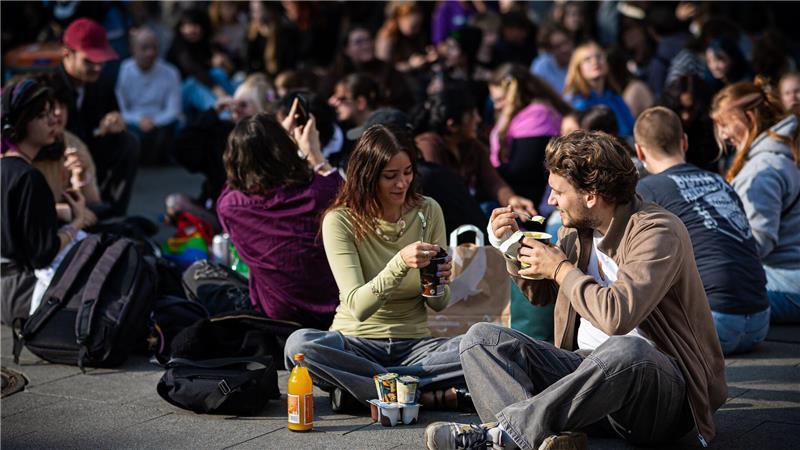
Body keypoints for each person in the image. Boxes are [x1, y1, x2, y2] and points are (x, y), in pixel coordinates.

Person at [424, 131, 726, 450]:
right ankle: (541, 438)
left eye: (558, 191)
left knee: (626, 350)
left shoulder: (657, 231)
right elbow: (542, 296)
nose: (551, 201)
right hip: (584, 382)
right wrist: (511, 248)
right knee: (481, 339)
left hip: (657, 395)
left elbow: (617, 317)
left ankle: (509, 432)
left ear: (591, 194)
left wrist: (559, 268)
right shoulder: (576, 230)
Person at [284, 124, 470, 413]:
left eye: (407, 172)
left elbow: (438, 303)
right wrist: (399, 263)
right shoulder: (340, 220)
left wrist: (440, 280)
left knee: (482, 344)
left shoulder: (428, 210)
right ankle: (417, 393)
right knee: (299, 346)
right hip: (355, 343)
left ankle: (366, 391)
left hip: (415, 347)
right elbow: (358, 306)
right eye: (390, 176)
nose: (402, 183)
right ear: (367, 176)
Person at [183, 110, 341, 328]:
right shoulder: (321, 192)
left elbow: (233, 182)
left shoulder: (231, 207)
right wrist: (313, 152)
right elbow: (341, 188)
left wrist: (268, 140)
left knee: (196, 273)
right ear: (286, 150)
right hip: (333, 313)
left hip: (279, 317)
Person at [634, 107, 769, 355]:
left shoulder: (648, 189)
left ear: (639, 150)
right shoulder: (720, 182)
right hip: (760, 320)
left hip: (713, 325)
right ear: (684, 141)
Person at [1, 79, 95, 325]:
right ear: (23, 123)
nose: (53, 120)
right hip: (20, 293)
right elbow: (43, 253)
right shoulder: (28, 178)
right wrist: (76, 221)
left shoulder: (7, 168)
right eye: (42, 115)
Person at [711, 78, 800, 323]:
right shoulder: (785, 153)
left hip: (787, 286)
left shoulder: (764, 169)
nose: (723, 134)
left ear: (749, 118)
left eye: (726, 124)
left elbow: (758, 242)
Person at [56, 17, 140, 217]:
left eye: (101, 62)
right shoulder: (49, 87)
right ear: (67, 53)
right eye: (89, 61)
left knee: (128, 142)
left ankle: (113, 213)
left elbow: (114, 114)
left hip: (93, 156)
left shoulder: (100, 83)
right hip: (60, 160)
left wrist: (114, 122)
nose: (97, 68)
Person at [414, 87, 537, 216]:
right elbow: (440, 194)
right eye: (472, 115)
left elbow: (493, 181)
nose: (478, 119)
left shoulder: (473, 146)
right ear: (452, 125)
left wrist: (511, 199)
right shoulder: (428, 147)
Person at [172, 73, 271, 217]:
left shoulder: (271, 140)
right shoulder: (222, 132)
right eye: (234, 103)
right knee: (175, 202)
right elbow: (181, 150)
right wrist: (212, 112)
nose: (236, 110)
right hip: (220, 207)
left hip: (249, 211)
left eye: (243, 105)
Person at [488, 64, 570, 206]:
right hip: (508, 190)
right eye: (493, 100)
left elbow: (522, 169)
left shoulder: (537, 114)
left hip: (528, 199)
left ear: (516, 94)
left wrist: (487, 174)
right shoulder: (513, 113)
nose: (496, 106)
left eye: (501, 99)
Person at [115, 27, 181, 165]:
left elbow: (174, 109)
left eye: (154, 48)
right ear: (133, 49)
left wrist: (154, 121)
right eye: (144, 48)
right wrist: (138, 120)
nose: (150, 53)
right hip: (132, 123)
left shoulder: (171, 72)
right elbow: (120, 108)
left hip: (161, 123)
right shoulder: (122, 71)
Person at [564, 41, 635, 137]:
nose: (595, 62)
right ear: (578, 68)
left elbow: (631, 127)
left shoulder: (614, 96)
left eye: (599, 56)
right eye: (587, 59)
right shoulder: (574, 101)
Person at [529, 22, 575, 95]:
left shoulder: (583, 60)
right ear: (549, 50)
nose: (565, 49)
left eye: (566, 42)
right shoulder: (540, 68)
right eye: (558, 46)